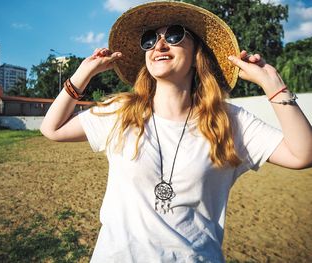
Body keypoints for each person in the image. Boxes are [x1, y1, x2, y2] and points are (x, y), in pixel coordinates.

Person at [40, 1, 312, 262]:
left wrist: (273, 85)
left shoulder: (229, 121)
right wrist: (81, 76)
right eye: (149, 39)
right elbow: (52, 129)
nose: (159, 45)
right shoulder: (120, 112)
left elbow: (302, 155)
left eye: (173, 35)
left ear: (197, 55)